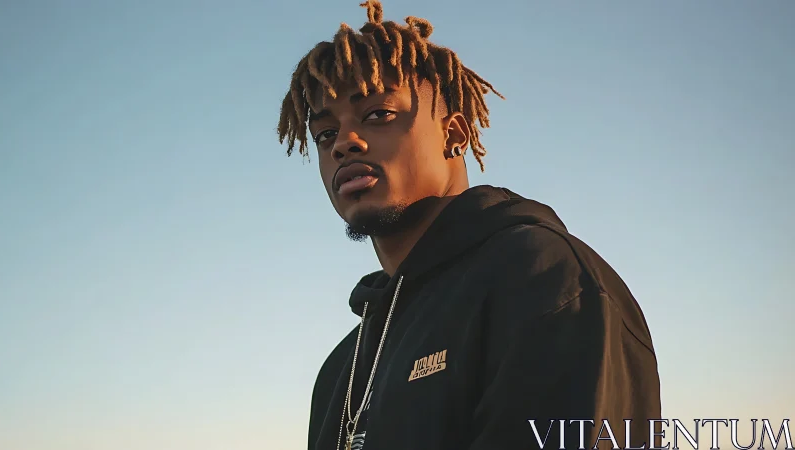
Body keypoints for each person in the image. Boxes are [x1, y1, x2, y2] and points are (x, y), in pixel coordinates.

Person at [276, 2, 662, 449]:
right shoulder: (343, 366)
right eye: (325, 134)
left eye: (378, 114)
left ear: (454, 135)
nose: (345, 142)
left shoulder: (544, 278)